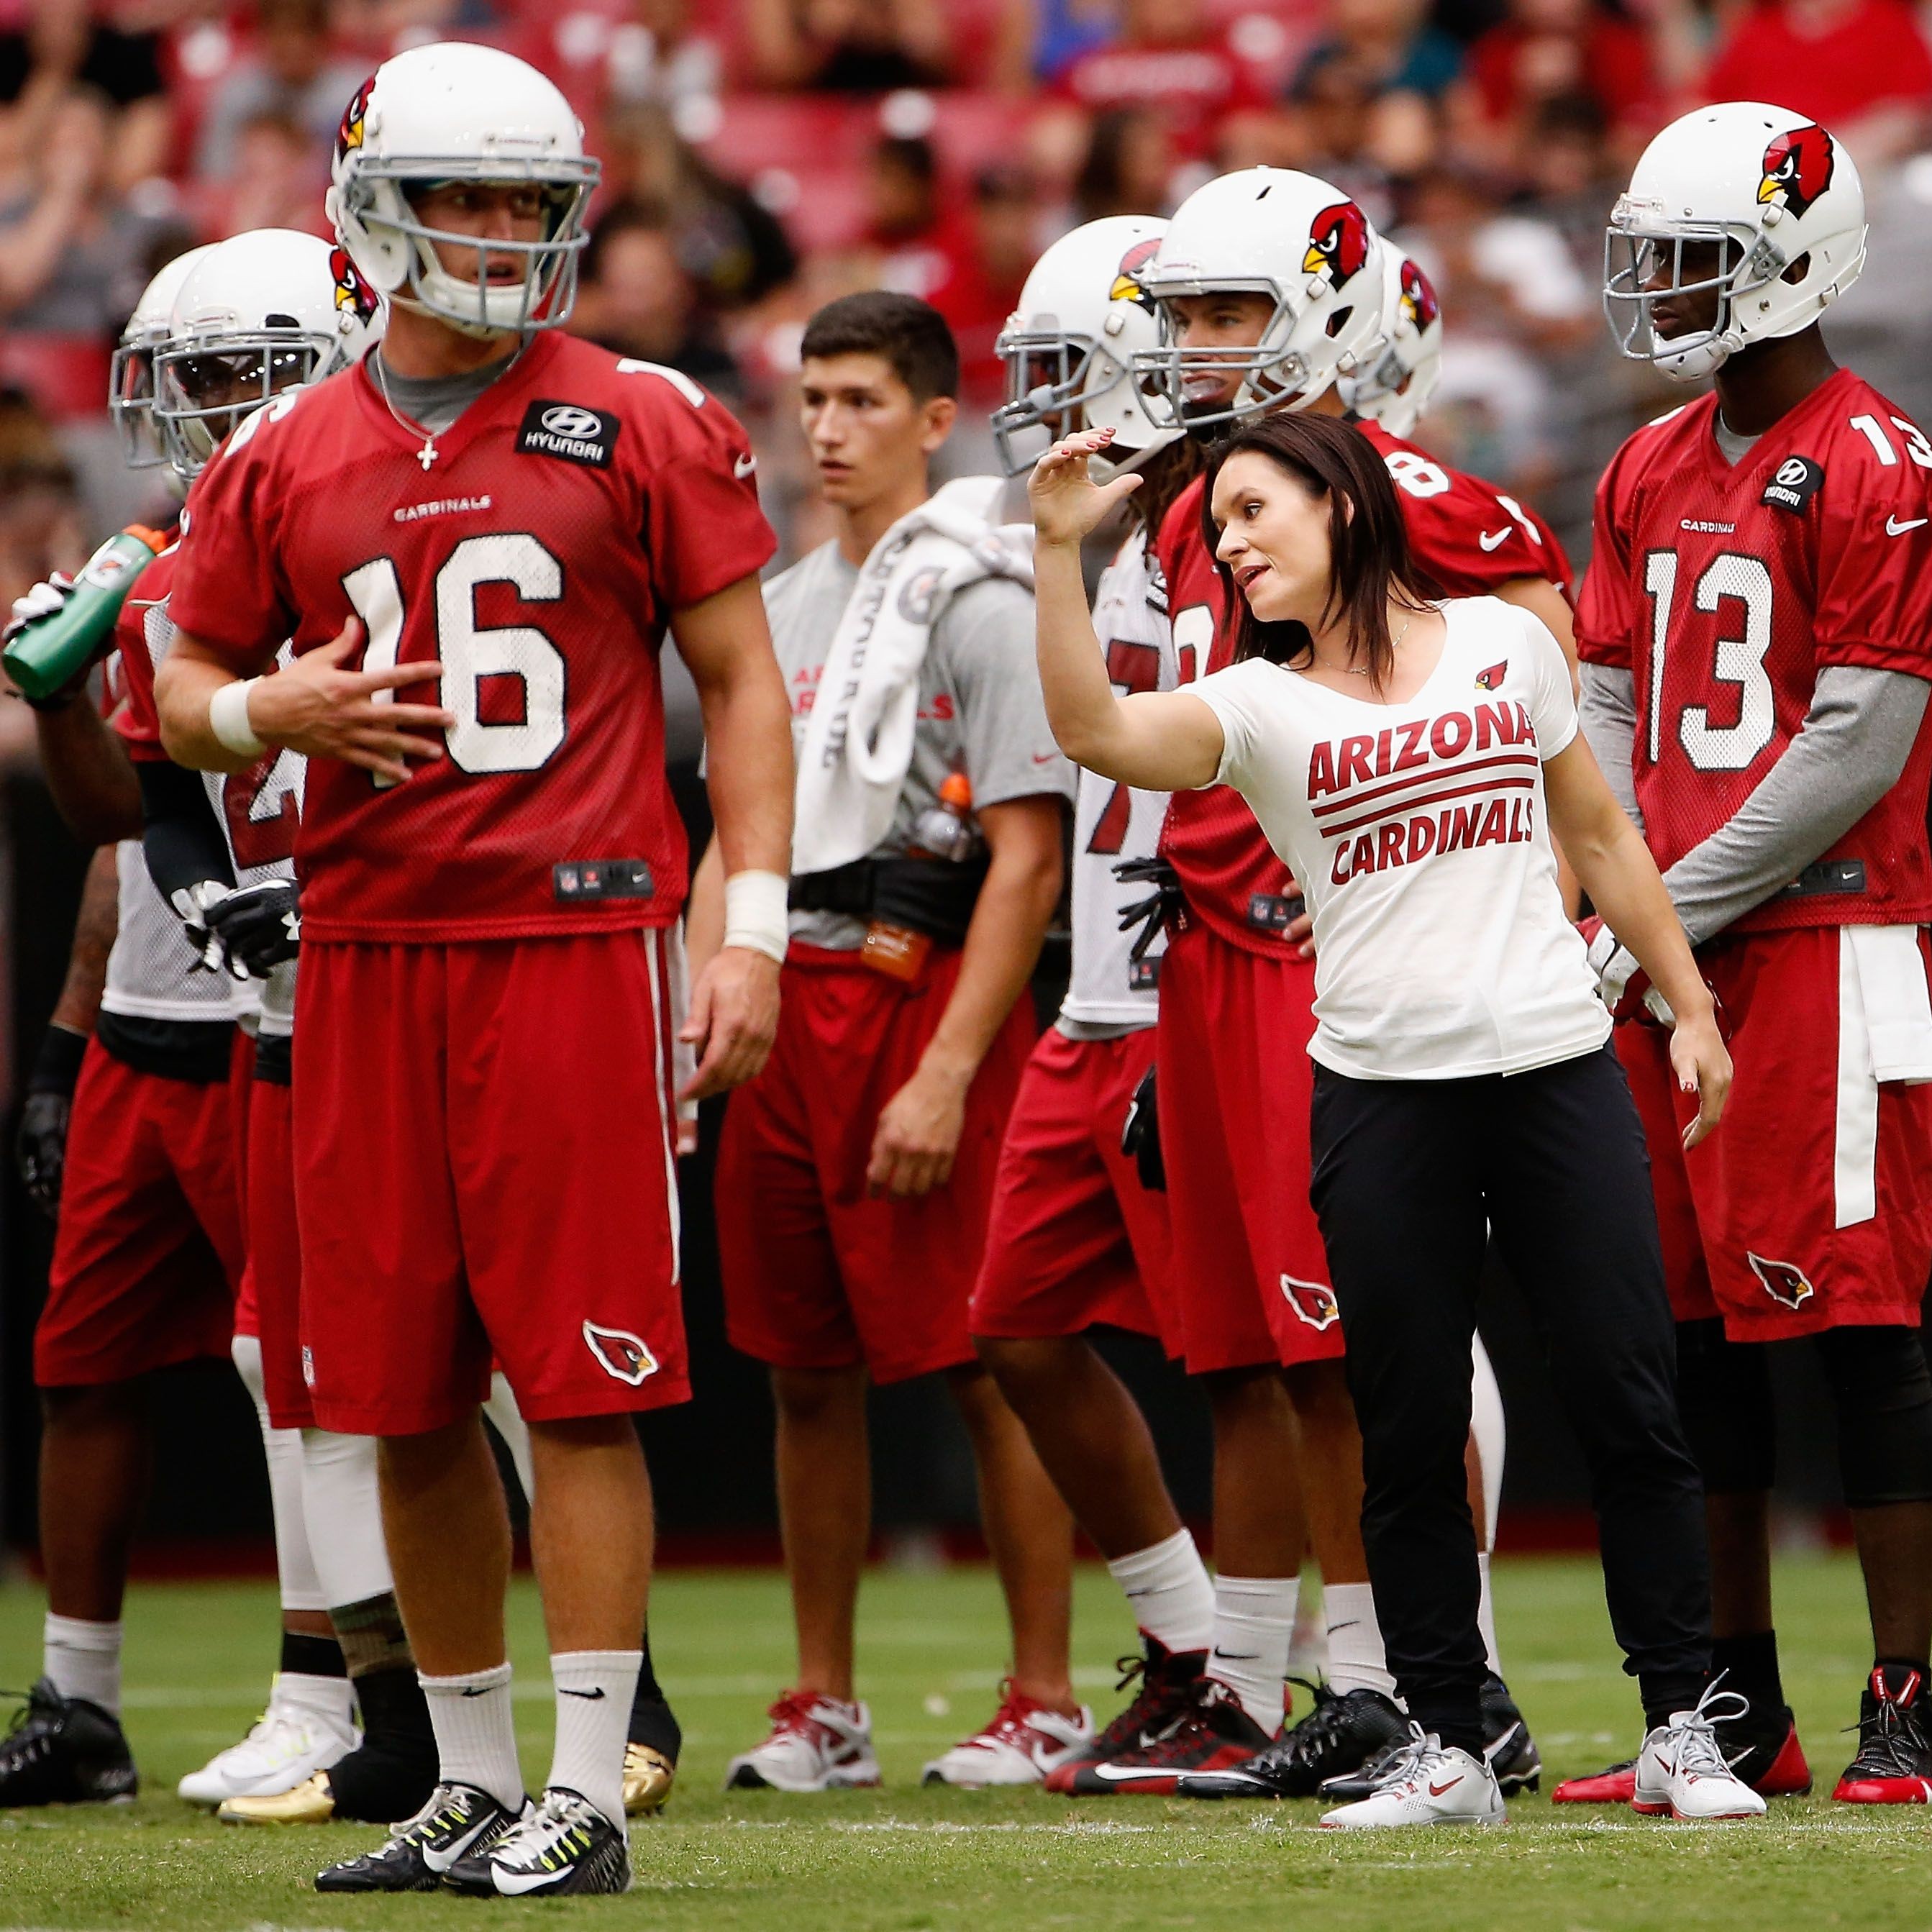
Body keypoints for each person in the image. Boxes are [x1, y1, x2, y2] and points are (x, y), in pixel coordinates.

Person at [152, 43, 793, 1897]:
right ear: (370, 207)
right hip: (357, 953)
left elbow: (745, 688)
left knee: (577, 1381)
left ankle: (586, 1789)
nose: (508, 236)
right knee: (397, 1391)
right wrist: (269, 701)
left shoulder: (642, 414)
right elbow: (182, 687)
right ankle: (470, 1773)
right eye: (470, 199)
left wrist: (742, 925)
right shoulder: (285, 451)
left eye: (533, 201)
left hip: (572, 937)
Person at [1029, 406, 1766, 1829]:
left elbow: (1599, 834)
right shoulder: (1251, 705)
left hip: (1556, 1068)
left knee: (1628, 1401)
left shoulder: (1507, 640)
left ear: (1342, 502)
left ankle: (1684, 1728)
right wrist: (1058, 553)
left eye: (1252, 512)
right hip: (1377, 1094)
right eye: (1218, 526)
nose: (1230, 545)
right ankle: (1444, 1747)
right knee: (1404, 1428)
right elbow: (1091, 729)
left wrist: (1686, 1002)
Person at [1054, 166, 1551, 1800]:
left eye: (1229, 314)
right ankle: (1362, 1686)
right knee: (1266, 1351)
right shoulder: (1192, 497)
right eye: (1182, 315)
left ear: (1326, 310)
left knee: (1363, 1344)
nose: (1196, 347)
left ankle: (1435, 1687)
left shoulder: (1416, 497)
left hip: (1328, 952)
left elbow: (1554, 721)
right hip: (1206, 954)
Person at [1570, 100, 1932, 1807]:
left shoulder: (1877, 460)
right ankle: (1733, 1706)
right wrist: (1607, 882)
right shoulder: (1645, 460)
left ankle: (1910, 1697)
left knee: (1857, 1324)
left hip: (1826, 930)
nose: (1661, 292)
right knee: (1686, 1332)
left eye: (1694, 262)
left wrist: (1660, 900)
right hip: (1677, 941)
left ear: (1796, 258)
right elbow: (1599, 701)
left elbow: (1854, 737)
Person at [696, 291, 1081, 1792]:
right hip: (783, 997)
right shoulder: (776, 606)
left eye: (860, 399)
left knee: (984, 1359)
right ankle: (822, 1701)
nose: (828, 428)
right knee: (802, 1367)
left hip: (921, 991)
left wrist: (946, 1065)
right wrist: (695, 1001)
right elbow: (730, 838)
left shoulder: (980, 598)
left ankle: (1044, 1687)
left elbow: (1026, 858)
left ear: (935, 418)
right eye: (810, 399)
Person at [0, 248, 282, 1813]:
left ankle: (340, 1681)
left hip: (287, 1010)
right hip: (145, 1021)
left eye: (234, 373)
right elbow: (125, 824)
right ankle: (82, 1703)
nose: (199, 410)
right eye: (188, 376)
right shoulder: (162, 551)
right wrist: (60, 1046)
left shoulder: (341, 541)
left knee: (309, 1371)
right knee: (81, 1365)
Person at [970, 214, 1216, 1789]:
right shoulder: (1090, 535)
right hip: (1098, 984)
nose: (1040, 402)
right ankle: (1195, 1647)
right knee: (1013, 1322)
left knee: (1282, 1350)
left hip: (1206, 977)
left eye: (1066, 369)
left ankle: (1361, 1673)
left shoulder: (1226, 512)